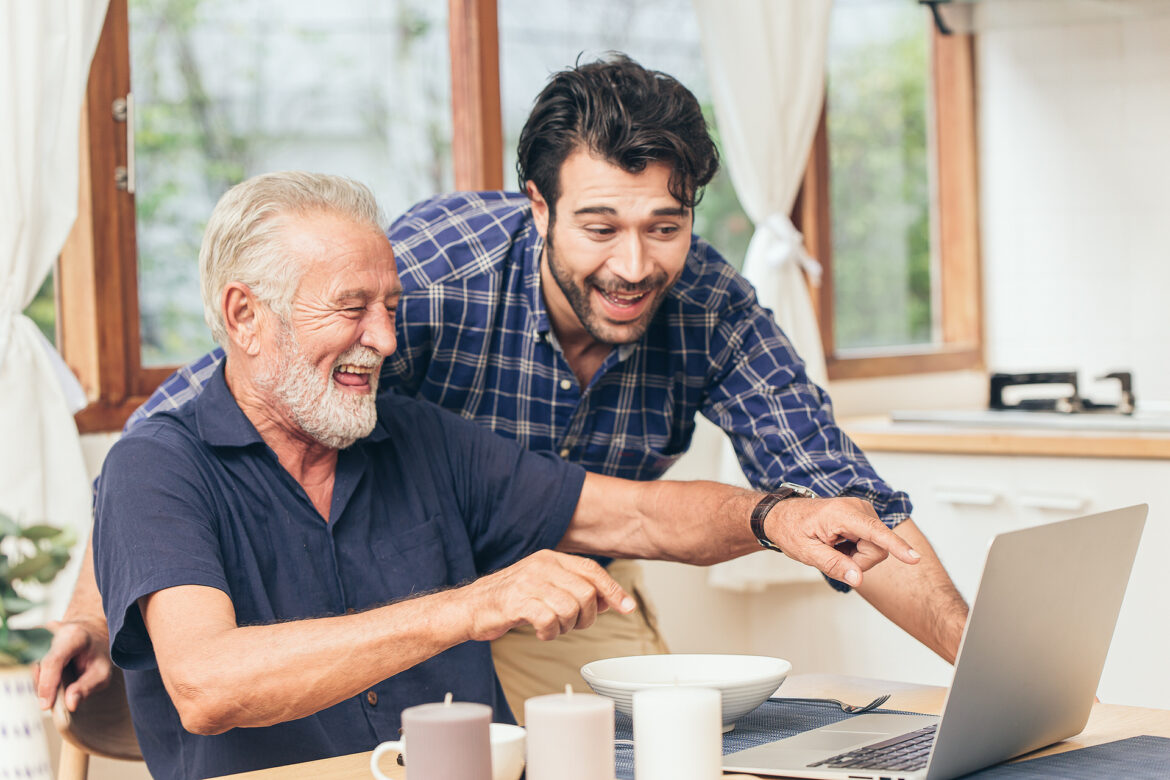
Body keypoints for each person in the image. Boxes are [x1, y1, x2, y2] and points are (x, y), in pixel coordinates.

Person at [36, 54, 968, 722]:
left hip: (569, 578)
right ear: (538, 205)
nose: (635, 264)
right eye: (600, 226)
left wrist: (992, 677)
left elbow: (681, 516)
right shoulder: (427, 282)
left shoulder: (714, 308)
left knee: (667, 745)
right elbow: (181, 429)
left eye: (665, 226)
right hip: (412, 583)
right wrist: (97, 607)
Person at [89, 170, 918, 780]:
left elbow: (636, 518)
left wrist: (773, 517)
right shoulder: (158, 468)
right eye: (351, 309)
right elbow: (208, 684)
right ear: (246, 317)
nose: (384, 338)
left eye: (390, 306)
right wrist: (470, 606)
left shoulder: (421, 440)